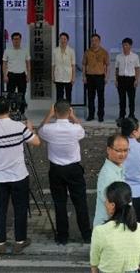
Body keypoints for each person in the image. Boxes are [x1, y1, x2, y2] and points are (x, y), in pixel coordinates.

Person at [0, 96, 41, 254]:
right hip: (19, 175)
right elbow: (36, 142)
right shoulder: (19, 127)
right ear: (9, 110)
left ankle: (0, 242)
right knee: (20, 208)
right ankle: (20, 241)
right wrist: (30, 129)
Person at [38, 101, 90, 245]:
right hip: (74, 169)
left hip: (56, 169)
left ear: (55, 111)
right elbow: (81, 130)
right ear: (69, 111)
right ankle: (86, 234)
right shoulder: (75, 129)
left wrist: (49, 115)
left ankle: (62, 237)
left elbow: (40, 129)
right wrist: (73, 117)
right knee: (80, 203)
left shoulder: (49, 129)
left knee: (59, 204)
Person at [89, 181, 140, 273]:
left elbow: (94, 263)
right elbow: (139, 260)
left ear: (112, 205)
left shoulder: (100, 231)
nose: (105, 203)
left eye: (106, 200)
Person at [94, 134, 128, 229]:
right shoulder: (108, 175)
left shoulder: (118, 166)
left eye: (125, 150)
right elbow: (112, 208)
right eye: (118, 151)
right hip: (109, 227)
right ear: (108, 150)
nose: (123, 154)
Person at [83, 33, 110, 122]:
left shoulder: (104, 52)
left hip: (100, 77)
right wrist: (84, 76)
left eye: (96, 40)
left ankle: (100, 115)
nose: (94, 42)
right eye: (92, 41)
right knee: (90, 97)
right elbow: (84, 65)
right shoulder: (87, 52)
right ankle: (91, 115)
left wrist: (106, 77)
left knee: (100, 97)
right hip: (89, 77)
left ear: (99, 41)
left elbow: (107, 65)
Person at [115, 38, 140, 121]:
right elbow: (117, 69)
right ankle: (121, 115)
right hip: (121, 79)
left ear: (130, 46)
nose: (124, 47)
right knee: (122, 99)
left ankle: (131, 115)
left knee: (131, 99)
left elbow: (137, 68)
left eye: (126, 45)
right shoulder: (118, 56)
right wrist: (116, 80)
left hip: (131, 79)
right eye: (123, 45)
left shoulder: (135, 56)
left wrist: (136, 80)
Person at [3, 32, 31, 97]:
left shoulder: (25, 50)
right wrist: (5, 75)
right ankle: (10, 104)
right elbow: (4, 64)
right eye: (14, 39)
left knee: (22, 95)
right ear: (12, 40)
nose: (16, 41)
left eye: (18, 39)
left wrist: (28, 75)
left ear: (20, 40)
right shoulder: (7, 50)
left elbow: (28, 64)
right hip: (11, 75)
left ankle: (22, 104)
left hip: (22, 75)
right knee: (10, 95)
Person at [52, 32, 75, 102]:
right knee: (59, 95)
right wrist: (53, 76)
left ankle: (68, 108)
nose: (63, 40)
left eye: (65, 39)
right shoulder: (55, 51)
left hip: (68, 76)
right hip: (58, 76)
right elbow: (53, 65)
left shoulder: (71, 51)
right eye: (61, 39)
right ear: (59, 40)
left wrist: (73, 77)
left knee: (68, 95)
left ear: (67, 40)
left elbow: (73, 65)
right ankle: (59, 108)